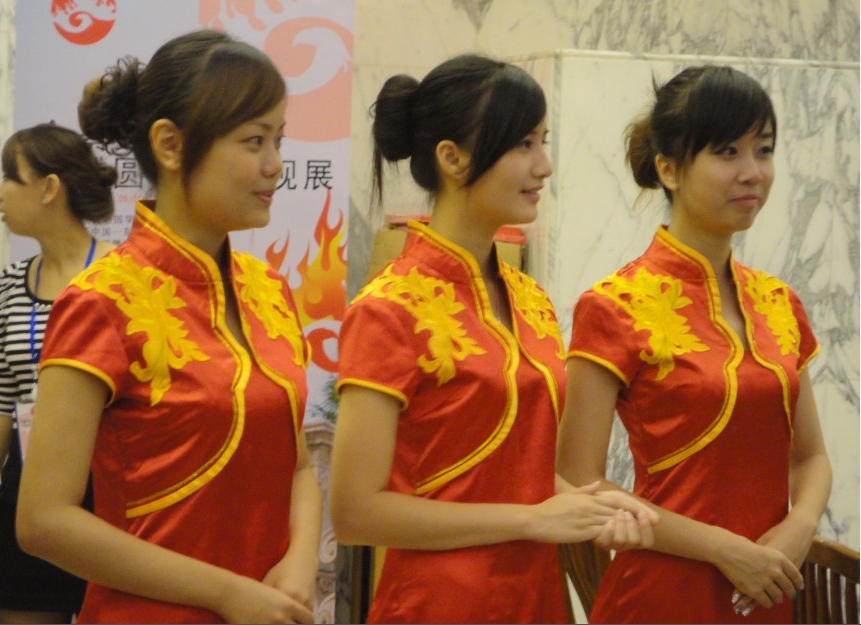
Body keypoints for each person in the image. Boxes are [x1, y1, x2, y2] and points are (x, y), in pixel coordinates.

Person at [329, 53, 658, 624]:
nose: (544, 166)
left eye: (543, 142)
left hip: (535, 599)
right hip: (437, 605)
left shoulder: (530, 299)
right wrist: (532, 519)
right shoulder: (388, 309)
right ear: (452, 158)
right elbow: (356, 513)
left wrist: (588, 505)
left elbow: (509, 473)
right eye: (522, 144)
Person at [15, 30, 322, 624]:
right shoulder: (101, 301)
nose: (275, 165)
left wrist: (301, 560)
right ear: (171, 145)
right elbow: (43, 521)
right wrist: (228, 594)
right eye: (254, 140)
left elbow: (300, 466)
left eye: (279, 140)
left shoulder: (269, 290)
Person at [556, 65, 832, 624]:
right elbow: (577, 479)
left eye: (764, 150)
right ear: (669, 169)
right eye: (727, 152)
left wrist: (798, 528)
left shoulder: (778, 302)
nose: (753, 172)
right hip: (662, 593)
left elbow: (811, 457)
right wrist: (724, 549)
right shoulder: (614, 304)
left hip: (768, 588)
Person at [0, 123, 115, 624]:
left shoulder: (120, 280)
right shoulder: (8, 286)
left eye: (10, 176)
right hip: (26, 500)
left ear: (49, 188)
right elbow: (1, 404)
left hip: (110, 503)